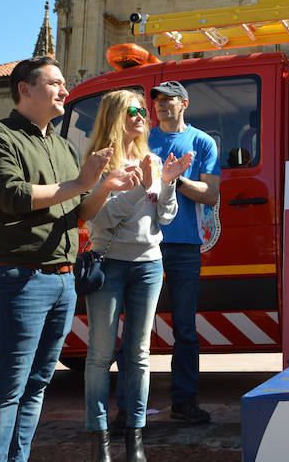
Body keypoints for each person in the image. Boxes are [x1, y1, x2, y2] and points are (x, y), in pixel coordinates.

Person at [0, 56, 135, 462]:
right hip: (16, 278)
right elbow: (14, 196)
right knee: (9, 384)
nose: (65, 91)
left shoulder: (61, 145)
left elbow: (79, 210)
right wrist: (81, 181)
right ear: (25, 89)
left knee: (38, 382)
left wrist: (103, 186)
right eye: (56, 83)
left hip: (61, 280)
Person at [82, 90, 191, 461]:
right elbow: (99, 218)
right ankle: (100, 440)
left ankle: (136, 440)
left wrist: (169, 182)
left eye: (143, 110)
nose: (143, 114)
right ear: (116, 116)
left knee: (140, 354)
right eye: (134, 110)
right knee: (100, 354)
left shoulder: (153, 159)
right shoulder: (99, 161)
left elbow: (165, 217)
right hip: (109, 264)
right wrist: (141, 189)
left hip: (149, 265)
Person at [114, 80, 220, 427]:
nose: (159, 104)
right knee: (134, 331)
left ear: (184, 104)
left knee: (185, 329)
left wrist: (174, 179)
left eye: (167, 99)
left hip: (184, 246)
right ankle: (127, 409)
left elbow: (210, 194)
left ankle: (184, 403)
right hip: (142, 242)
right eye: (155, 99)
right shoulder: (142, 139)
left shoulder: (202, 142)